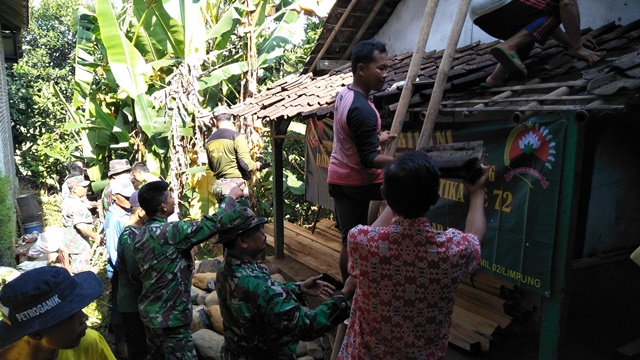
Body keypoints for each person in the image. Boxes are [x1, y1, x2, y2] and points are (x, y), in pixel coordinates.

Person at [336, 151, 489, 360]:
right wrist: (477, 191)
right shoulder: (452, 251)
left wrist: (397, 192)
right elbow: (475, 237)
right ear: (436, 198)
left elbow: (373, 232)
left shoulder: (362, 241)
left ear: (384, 194)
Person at [214, 200, 356, 359]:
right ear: (242, 241)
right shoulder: (260, 285)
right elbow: (306, 325)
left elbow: (258, 300)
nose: (263, 233)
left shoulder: (225, 270)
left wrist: (298, 287)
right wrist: (344, 295)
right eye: (258, 229)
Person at [133, 180, 244, 359]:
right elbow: (211, 224)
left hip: (152, 314)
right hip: (171, 318)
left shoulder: (141, 234)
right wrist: (231, 198)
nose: (173, 199)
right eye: (170, 197)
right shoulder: (170, 232)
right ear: (163, 206)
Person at [327, 39, 397, 281]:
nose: (385, 74)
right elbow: (369, 159)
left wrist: (378, 138)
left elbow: (353, 139)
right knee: (409, 192)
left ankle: (346, 295)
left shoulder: (345, 94)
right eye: (381, 68)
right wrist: (400, 162)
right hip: (358, 181)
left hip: (338, 175)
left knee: (349, 238)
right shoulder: (363, 110)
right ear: (361, 69)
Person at [469, 0, 602, 87]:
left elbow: (547, 26)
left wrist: (572, 41)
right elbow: (567, 3)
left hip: (480, 15)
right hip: (500, 4)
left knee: (528, 33)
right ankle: (509, 46)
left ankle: (497, 77)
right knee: (558, 8)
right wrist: (577, 46)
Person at [0, 266, 116, 359]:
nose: (84, 317)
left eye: (79, 309)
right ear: (37, 334)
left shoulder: (90, 344)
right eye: (68, 315)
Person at [205, 105, 263, 203]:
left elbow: (212, 167)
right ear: (231, 118)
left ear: (215, 121)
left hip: (219, 186)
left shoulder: (209, 141)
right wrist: (257, 165)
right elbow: (246, 165)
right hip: (235, 187)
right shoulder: (236, 137)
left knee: (225, 216)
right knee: (241, 217)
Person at [116, 190, 150, 360]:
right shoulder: (130, 236)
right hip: (132, 303)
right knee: (139, 350)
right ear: (141, 212)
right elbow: (135, 272)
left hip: (138, 302)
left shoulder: (139, 232)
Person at [104, 177, 135, 359]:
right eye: (125, 196)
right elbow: (114, 252)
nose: (129, 199)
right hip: (120, 272)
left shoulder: (126, 213)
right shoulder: (114, 218)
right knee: (120, 312)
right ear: (115, 196)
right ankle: (121, 347)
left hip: (128, 272)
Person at [61, 175, 100, 257]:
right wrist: (95, 237)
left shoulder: (68, 199)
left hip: (70, 243)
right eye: (83, 187)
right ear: (74, 189)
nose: (86, 189)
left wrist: (94, 204)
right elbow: (81, 226)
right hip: (78, 246)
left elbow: (85, 204)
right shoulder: (76, 204)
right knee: (80, 269)